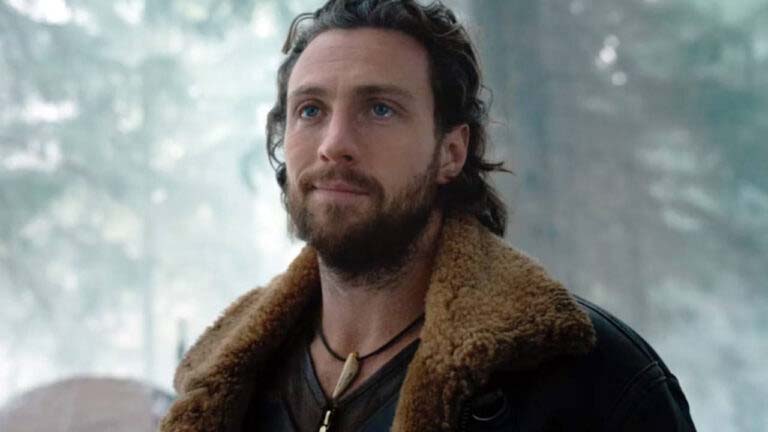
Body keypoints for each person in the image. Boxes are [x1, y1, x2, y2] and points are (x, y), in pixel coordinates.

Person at [160, 0, 696, 431]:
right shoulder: (222, 383)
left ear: (451, 152)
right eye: (310, 110)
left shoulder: (593, 382)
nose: (334, 144)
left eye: (380, 109)